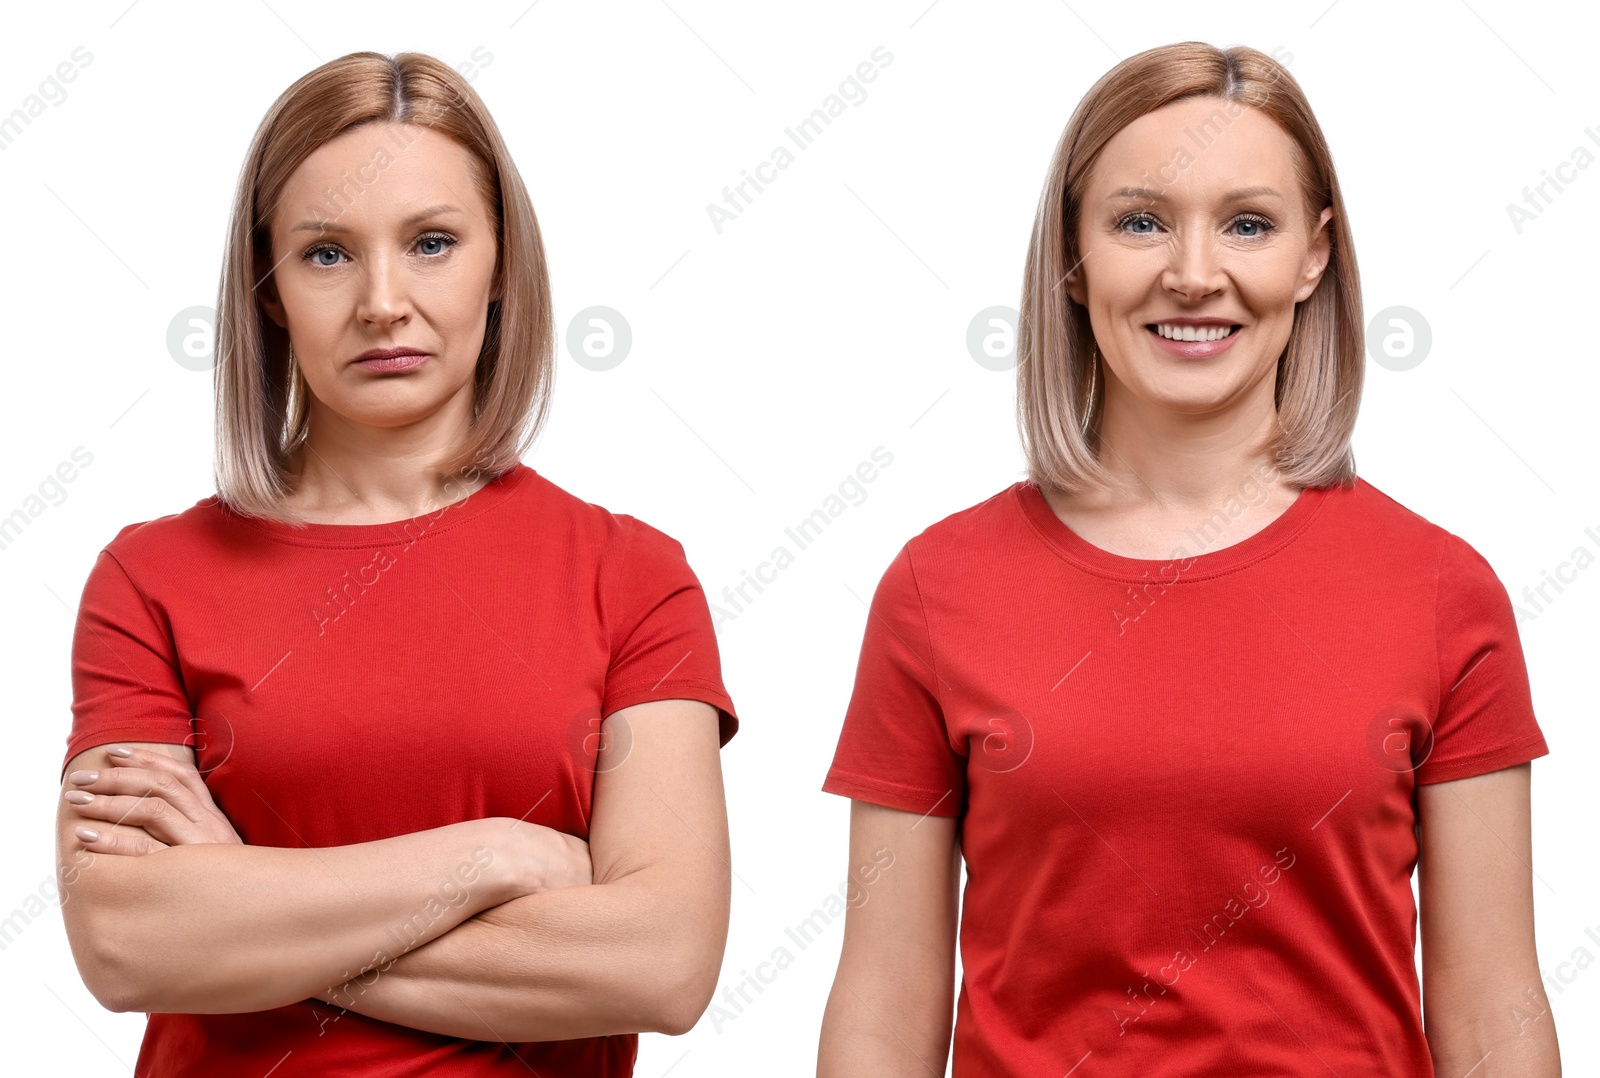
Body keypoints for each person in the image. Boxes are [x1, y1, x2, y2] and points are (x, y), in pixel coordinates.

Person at [816, 42, 1560, 1077]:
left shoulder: (1440, 591)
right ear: (1073, 260)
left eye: (1247, 223)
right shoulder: (937, 591)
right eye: (1140, 221)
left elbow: (1492, 1021)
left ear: (1313, 256)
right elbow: (882, 1018)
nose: (1194, 273)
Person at [54, 51, 738, 1077]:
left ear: (501, 263)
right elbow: (124, 943)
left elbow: (662, 964)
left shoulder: (629, 575)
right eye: (326, 253)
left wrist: (241, 897)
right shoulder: (150, 577)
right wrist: (488, 856)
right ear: (269, 287)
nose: (382, 301)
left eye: (431, 242)